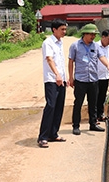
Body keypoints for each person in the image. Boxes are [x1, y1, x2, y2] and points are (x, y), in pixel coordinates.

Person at [68, 23, 109, 135]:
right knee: (78, 103)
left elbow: (101, 56)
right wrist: (71, 77)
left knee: (93, 103)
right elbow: (70, 61)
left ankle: (93, 124)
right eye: (91, 35)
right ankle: (76, 126)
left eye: (94, 35)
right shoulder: (75, 46)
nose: (93, 37)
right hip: (80, 80)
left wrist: (107, 64)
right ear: (85, 34)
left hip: (93, 80)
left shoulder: (96, 46)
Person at [37, 19, 68, 148]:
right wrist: (57, 75)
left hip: (61, 79)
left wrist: (64, 77)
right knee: (50, 106)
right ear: (54, 29)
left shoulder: (60, 43)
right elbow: (49, 59)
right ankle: (43, 137)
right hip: (52, 79)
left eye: (65, 29)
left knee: (59, 106)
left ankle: (53, 133)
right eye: (62, 29)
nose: (64, 32)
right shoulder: (48, 43)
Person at [96, 29, 109, 122]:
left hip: (105, 75)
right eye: (108, 39)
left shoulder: (108, 47)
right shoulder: (95, 46)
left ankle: (100, 114)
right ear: (103, 37)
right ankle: (94, 116)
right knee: (95, 96)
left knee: (102, 96)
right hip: (96, 75)